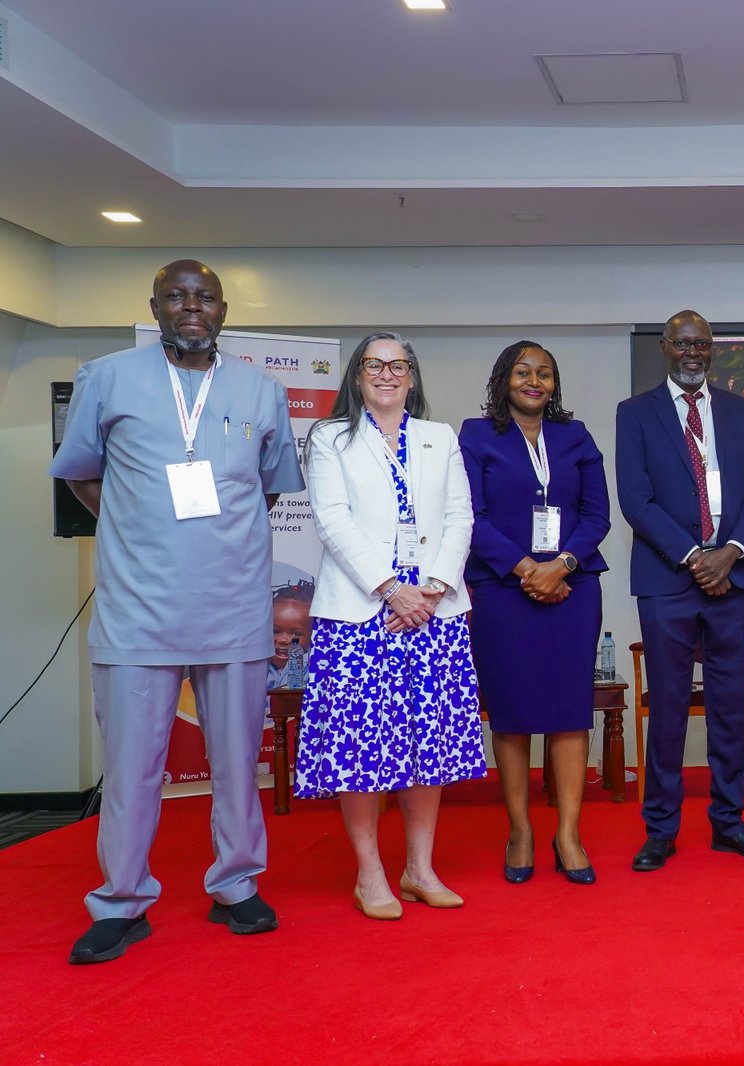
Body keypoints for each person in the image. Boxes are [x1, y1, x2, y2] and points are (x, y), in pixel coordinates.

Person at [50, 259, 304, 964]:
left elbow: (271, 489)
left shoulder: (261, 389)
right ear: (157, 306)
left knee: (235, 763)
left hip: (233, 608)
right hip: (139, 609)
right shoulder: (109, 378)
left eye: (205, 298)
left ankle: (236, 885)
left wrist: (219, 544)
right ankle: (122, 901)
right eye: (177, 297)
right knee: (133, 766)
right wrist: (137, 529)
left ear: (223, 310)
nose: (192, 307)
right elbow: (80, 474)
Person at [294, 332, 485, 920]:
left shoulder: (439, 436)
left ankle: (419, 868)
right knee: (361, 747)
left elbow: (459, 515)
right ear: (357, 376)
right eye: (374, 364)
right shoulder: (330, 437)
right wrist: (390, 589)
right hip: (360, 611)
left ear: (412, 376)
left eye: (397, 365)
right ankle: (370, 871)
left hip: (433, 609)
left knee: (430, 743)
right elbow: (332, 520)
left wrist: (433, 589)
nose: (386, 374)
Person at [615, 310, 744, 870]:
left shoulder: (738, 412)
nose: (693, 352)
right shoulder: (635, 414)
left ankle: (729, 823)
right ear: (665, 346)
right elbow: (636, 500)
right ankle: (660, 828)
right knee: (666, 708)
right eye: (683, 343)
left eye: (702, 344)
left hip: (732, 581)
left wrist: (729, 554)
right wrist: (693, 557)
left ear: (711, 351)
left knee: (730, 707)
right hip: (668, 581)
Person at [460, 341, 610, 886]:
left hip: (573, 588)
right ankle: (520, 829)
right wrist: (528, 569)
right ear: (504, 380)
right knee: (514, 711)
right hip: (503, 590)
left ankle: (568, 833)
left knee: (571, 710)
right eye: (523, 372)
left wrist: (563, 564)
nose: (534, 381)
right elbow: (469, 516)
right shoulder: (477, 436)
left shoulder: (575, 436)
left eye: (544, 373)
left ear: (554, 384)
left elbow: (598, 513)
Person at [265, 581, 314, 690]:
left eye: (295, 634)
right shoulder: (256, 666)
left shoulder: (314, 669)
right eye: (275, 631)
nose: (283, 640)